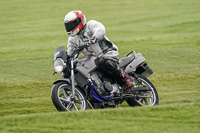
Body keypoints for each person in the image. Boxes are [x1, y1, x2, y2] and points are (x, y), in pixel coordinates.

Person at [64, 10, 135, 89]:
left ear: (80, 21)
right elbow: (71, 52)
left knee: (107, 62)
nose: (70, 27)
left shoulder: (90, 25)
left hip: (108, 53)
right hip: (93, 59)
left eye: (72, 24)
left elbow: (100, 29)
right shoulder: (72, 39)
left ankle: (126, 79)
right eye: (68, 25)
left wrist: (94, 38)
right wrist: (64, 60)